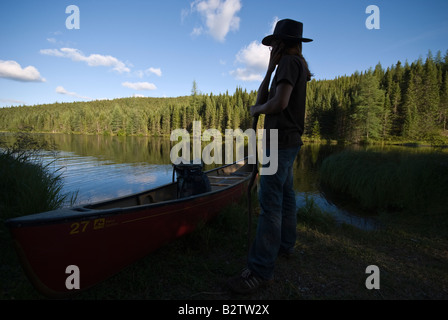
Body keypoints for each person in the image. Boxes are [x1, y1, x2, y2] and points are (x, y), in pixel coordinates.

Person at [227, 19, 313, 294]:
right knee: (286, 196)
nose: (270, 48)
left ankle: (261, 270)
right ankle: (286, 246)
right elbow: (264, 97)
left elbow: (279, 103)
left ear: (282, 43)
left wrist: (259, 109)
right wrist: (268, 70)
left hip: (280, 142)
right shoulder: (288, 65)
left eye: (273, 43)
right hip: (288, 142)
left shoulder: (289, 64)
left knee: (270, 201)